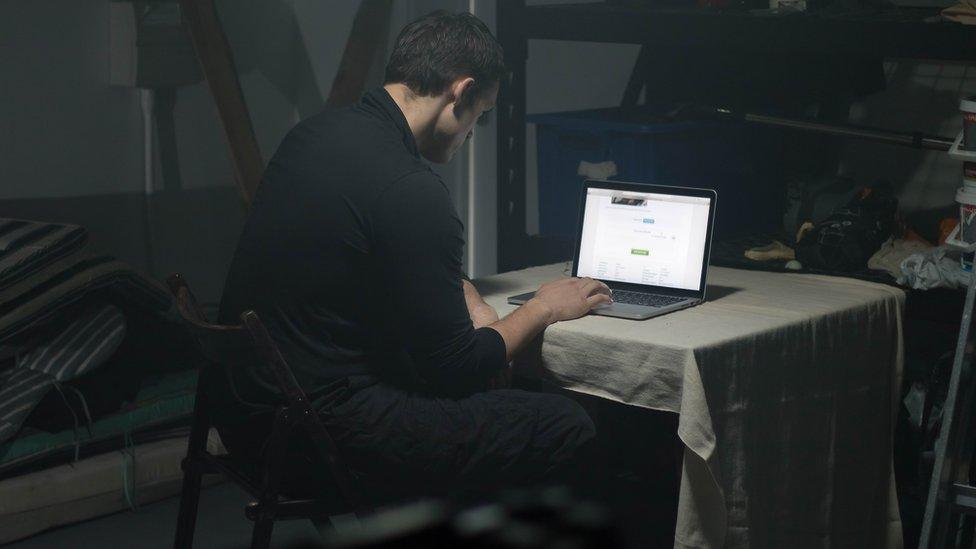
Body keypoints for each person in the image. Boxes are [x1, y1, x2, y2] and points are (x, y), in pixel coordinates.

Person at [216, 10, 612, 501]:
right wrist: (544, 308)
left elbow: (393, 259)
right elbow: (460, 366)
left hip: (247, 416)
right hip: (315, 438)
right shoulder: (410, 189)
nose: (472, 135)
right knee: (565, 422)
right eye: (481, 116)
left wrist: (471, 299)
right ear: (461, 94)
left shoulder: (314, 137)